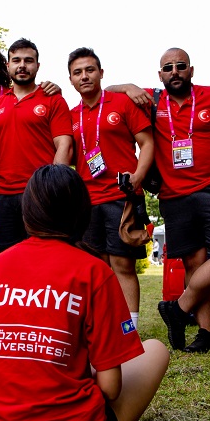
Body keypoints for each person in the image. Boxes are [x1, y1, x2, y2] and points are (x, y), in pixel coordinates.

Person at [0, 164, 170, 421]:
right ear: (82, 213)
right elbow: (110, 388)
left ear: (27, 212)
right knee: (156, 350)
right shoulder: (96, 274)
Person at [110, 48, 210, 353]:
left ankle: (178, 308)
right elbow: (107, 91)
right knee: (195, 262)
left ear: (191, 71)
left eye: (180, 66)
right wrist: (128, 87)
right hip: (175, 195)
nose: (174, 72)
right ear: (160, 75)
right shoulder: (151, 101)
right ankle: (206, 334)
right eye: (167, 68)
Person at [67, 47, 154, 328]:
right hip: (86, 202)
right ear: (70, 79)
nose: (85, 76)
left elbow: (147, 144)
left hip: (121, 196)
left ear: (101, 73)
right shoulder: (69, 115)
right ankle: (104, 327)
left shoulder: (121, 102)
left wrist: (138, 177)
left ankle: (130, 329)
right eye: (77, 72)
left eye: (90, 70)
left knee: (122, 266)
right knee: (96, 269)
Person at [0, 38, 73, 251]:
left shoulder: (53, 99)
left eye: (28, 60)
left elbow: (64, 145)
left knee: (45, 253)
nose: (22, 65)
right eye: (16, 60)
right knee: (5, 256)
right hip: (2, 195)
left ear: (37, 66)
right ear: (8, 65)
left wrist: (52, 187)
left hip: (38, 192)